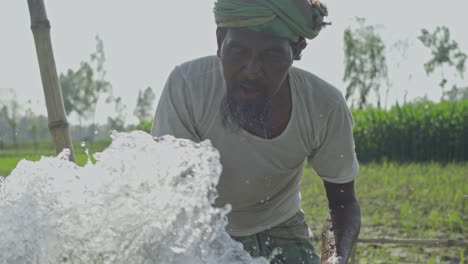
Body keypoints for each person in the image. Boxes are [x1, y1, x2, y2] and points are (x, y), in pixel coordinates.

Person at [151, 0, 361, 263]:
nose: (252, 71)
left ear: (297, 51)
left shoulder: (324, 106)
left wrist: (334, 258)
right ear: (219, 42)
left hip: (282, 227)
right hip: (204, 229)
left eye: (271, 55)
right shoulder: (189, 87)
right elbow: (172, 197)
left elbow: (342, 204)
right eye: (238, 51)